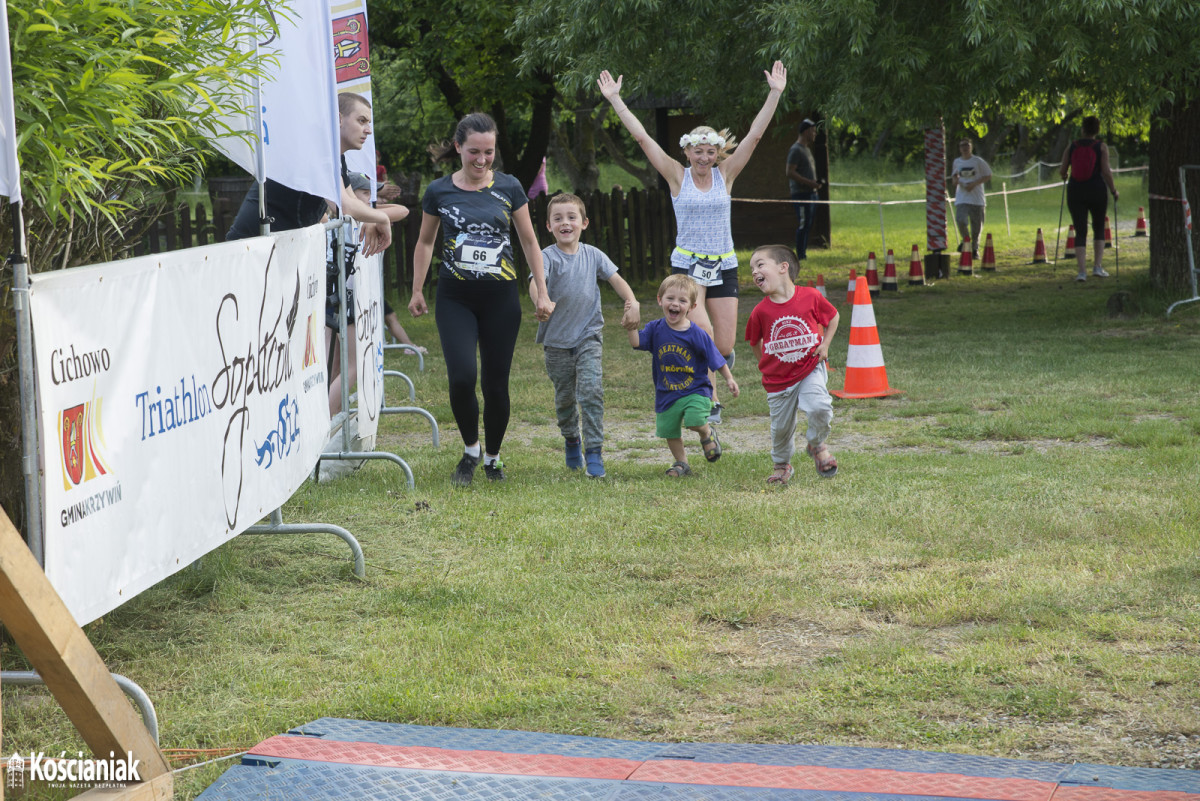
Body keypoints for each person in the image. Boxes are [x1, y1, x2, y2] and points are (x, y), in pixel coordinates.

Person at [598, 61, 786, 425]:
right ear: (687, 152)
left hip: (724, 264)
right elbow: (642, 139)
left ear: (717, 154)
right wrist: (617, 100)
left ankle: (711, 362)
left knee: (724, 346)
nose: (703, 157)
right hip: (688, 267)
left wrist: (774, 93)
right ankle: (710, 399)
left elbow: (754, 137)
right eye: (697, 151)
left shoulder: (725, 175)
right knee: (703, 333)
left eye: (709, 151)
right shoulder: (676, 175)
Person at [409, 112, 555, 486]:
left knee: (494, 383)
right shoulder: (439, 191)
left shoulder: (509, 187)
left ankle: (493, 458)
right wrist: (416, 290)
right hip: (455, 296)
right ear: (458, 147)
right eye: (474, 151)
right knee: (462, 377)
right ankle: (470, 449)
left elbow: (529, 241)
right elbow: (425, 242)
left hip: (500, 299)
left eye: (488, 152)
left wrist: (542, 291)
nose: (481, 160)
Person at [532, 193, 640, 478]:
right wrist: (540, 301)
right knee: (565, 399)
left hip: (588, 336)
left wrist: (633, 303)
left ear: (584, 223)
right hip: (556, 343)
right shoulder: (546, 257)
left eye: (571, 217)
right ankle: (571, 440)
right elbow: (536, 283)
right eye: (558, 218)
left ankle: (593, 452)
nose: (565, 223)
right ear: (548, 226)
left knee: (591, 391)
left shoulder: (594, 255)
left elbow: (617, 281)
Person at [625, 274, 739, 478]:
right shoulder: (655, 329)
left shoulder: (697, 334)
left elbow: (716, 359)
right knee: (669, 431)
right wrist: (631, 326)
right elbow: (636, 343)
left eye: (682, 300)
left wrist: (729, 378)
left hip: (696, 389)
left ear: (692, 307)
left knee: (695, 420)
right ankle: (682, 463)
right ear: (660, 300)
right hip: (666, 392)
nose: (675, 304)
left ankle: (706, 433)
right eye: (670, 298)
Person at [745, 244, 839, 484]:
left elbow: (833, 317)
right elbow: (753, 341)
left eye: (760, 264)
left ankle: (816, 444)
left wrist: (825, 344)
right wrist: (765, 364)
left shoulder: (810, 296)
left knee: (821, 407)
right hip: (778, 381)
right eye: (751, 268)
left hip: (810, 369)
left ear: (782, 267)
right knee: (781, 429)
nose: (754, 271)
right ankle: (782, 464)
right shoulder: (760, 311)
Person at [345, 174, 426, 356]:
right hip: (350, 289)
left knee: (390, 317)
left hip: (365, 286)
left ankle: (409, 346)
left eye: (372, 193)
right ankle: (409, 346)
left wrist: (370, 211)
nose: (370, 198)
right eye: (365, 193)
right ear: (349, 193)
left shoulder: (366, 213)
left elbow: (403, 210)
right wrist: (366, 212)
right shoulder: (346, 219)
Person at [1060, 116, 1119, 282]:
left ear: (1083, 129)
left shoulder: (1072, 146)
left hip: (1076, 191)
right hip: (1097, 190)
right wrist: (1114, 190)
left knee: (1080, 230)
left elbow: (1062, 170)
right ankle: (1097, 267)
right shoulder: (1101, 147)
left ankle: (1081, 272)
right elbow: (1106, 172)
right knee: (1099, 227)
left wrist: (1065, 175)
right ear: (1097, 130)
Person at [786, 119, 824, 261]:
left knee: (808, 223)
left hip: (811, 193)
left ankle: (803, 253)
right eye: (813, 131)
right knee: (803, 224)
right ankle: (800, 255)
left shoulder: (806, 149)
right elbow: (789, 172)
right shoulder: (795, 150)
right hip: (801, 194)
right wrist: (809, 183)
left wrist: (815, 184)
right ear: (806, 131)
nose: (815, 134)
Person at [951, 138, 991, 260]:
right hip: (962, 198)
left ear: (971, 147)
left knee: (976, 227)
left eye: (967, 145)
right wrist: (958, 182)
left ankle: (974, 249)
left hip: (977, 199)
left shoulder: (978, 161)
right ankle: (965, 241)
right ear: (959, 148)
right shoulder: (957, 162)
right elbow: (954, 177)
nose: (964, 148)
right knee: (961, 220)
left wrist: (974, 184)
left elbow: (988, 175)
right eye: (962, 145)